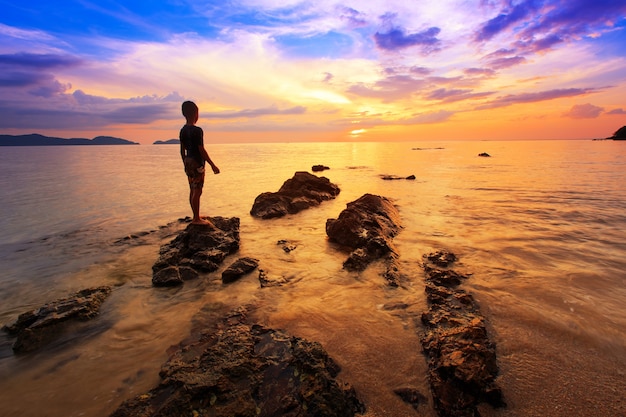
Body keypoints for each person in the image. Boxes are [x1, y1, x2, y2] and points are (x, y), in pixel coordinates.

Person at [179, 100, 220, 226]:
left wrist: (184, 162)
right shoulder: (197, 130)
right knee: (198, 191)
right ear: (195, 114)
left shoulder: (183, 130)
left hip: (188, 161)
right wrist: (213, 165)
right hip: (197, 163)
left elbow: (182, 149)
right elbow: (201, 150)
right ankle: (196, 218)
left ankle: (195, 216)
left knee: (192, 189)